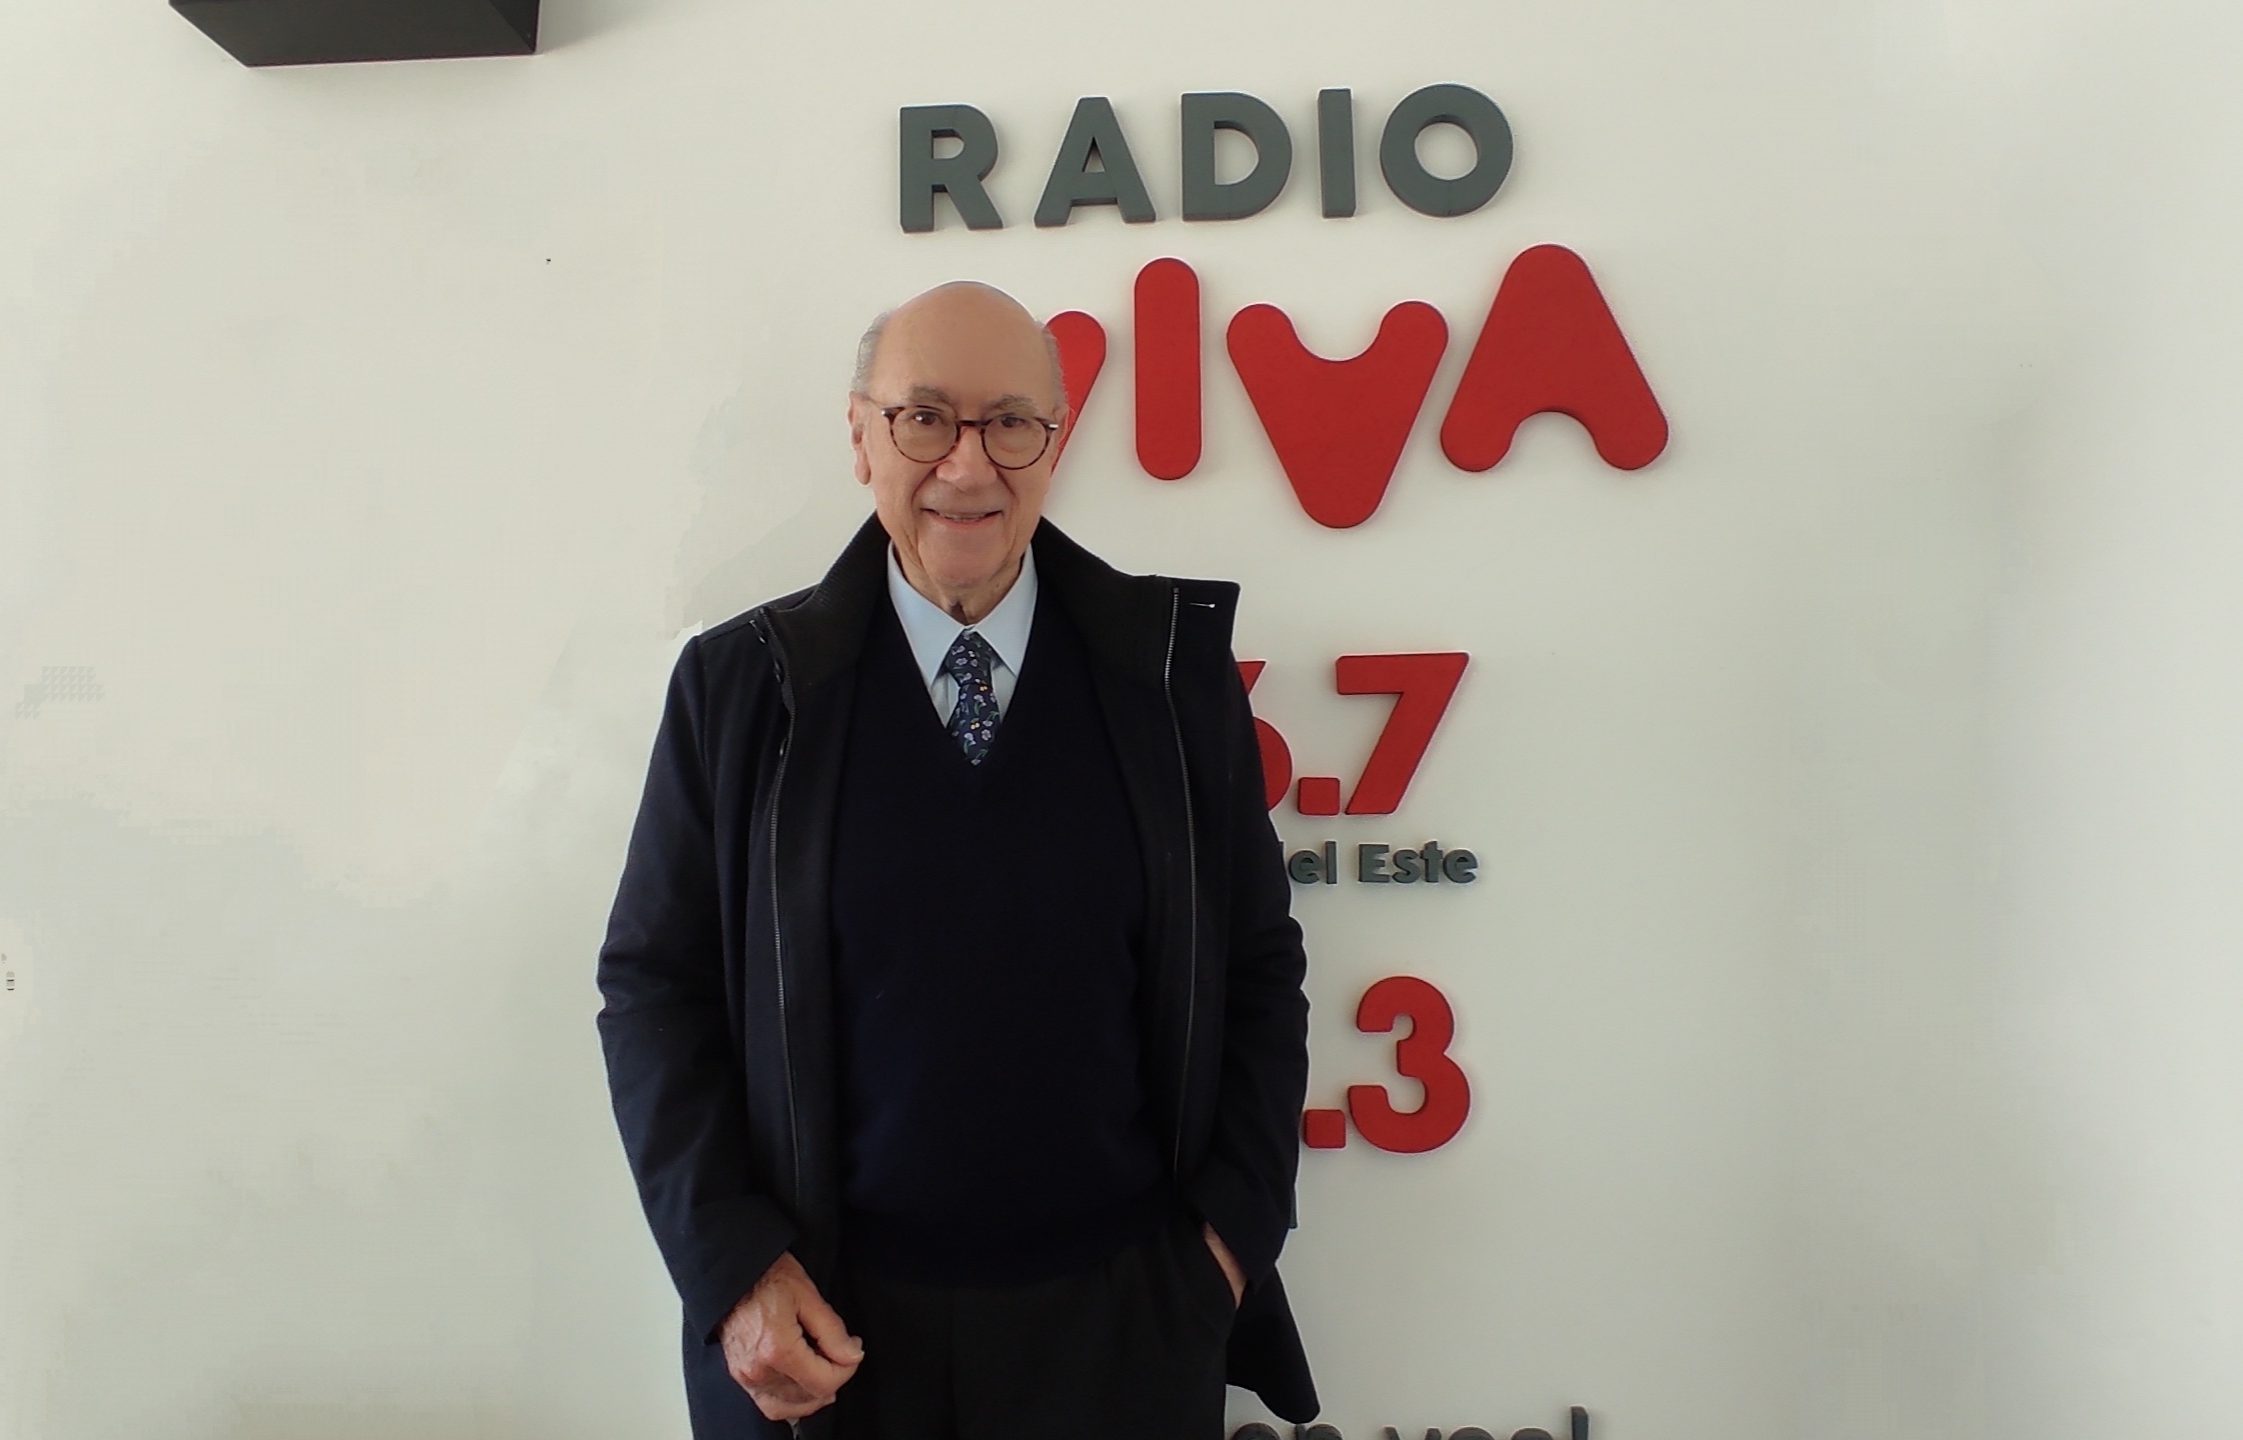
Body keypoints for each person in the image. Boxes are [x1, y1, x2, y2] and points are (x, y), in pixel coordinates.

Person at [595, 280, 1317, 1438]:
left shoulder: (1168, 681)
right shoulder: (740, 690)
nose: (967, 466)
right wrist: (733, 1266)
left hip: (1122, 1342)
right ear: (859, 436)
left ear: (1055, 442)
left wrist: (1221, 1253)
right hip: (831, 1350)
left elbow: (1256, 969)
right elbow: (653, 991)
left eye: (1009, 423)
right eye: (924, 418)